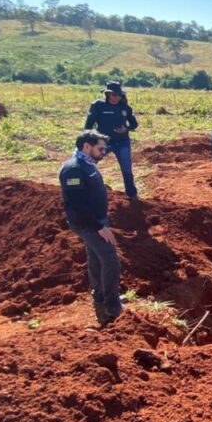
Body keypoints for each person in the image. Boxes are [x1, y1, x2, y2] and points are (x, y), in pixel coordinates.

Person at [59, 130, 122, 327]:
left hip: (96, 221)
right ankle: (113, 307)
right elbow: (77, 204)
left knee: (95, 258)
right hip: (87, 224)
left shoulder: (87, 164)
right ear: (86, 146)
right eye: (100, 148)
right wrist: (98, 227)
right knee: (110, 259)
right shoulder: (74, 169)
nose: (104, 152)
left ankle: (100, 296)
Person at [84, 81, 139, 198]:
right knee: (87, 163)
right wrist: (89, 141)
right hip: (103, 143)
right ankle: (85, 189)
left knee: (127, 169)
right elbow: (88, 126)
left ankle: (132, 195)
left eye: (119, 95)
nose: (116, 98)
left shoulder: (124, 107)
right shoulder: (98, 106)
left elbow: (134, 124)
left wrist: (126, 128)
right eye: (114, 95)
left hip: (122, 142)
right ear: (107, 94)